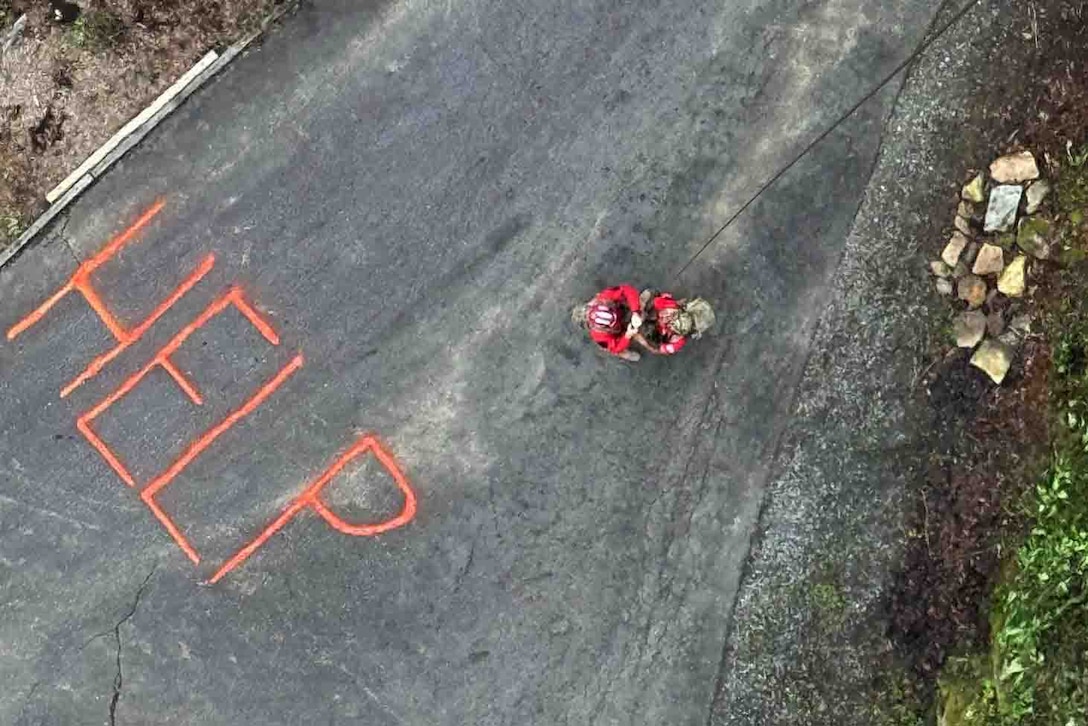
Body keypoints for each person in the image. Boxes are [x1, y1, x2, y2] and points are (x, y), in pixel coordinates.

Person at [571, 284, 644, 361]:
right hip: (616, 332)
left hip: (620, 309)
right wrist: (627, 335)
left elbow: (627, 290)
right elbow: (615, 348)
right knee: (615, 350)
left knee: (638, 303)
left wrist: (635, 311)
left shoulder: (605, 297)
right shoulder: (599, 336)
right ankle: (624, 354)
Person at [634, 289, 715, 356]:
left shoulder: (677, 342)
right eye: (671, 316)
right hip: (655, 312)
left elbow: (659, 349)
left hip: (656, 334)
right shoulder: (669, 306)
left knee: (648, 335)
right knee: (651, 295)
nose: (665, 319)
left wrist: (644, 343)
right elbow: (656, 302)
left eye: (670, 325)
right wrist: (641, 311)